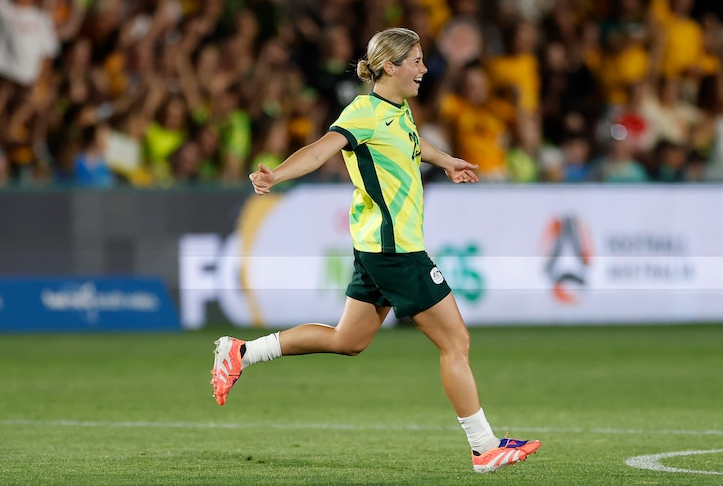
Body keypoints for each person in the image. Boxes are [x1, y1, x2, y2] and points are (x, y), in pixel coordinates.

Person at [211, 28, 541, 474]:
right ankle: (484, 447)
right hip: (396, 251)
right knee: (456, 341)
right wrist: (277, 176)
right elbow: (319, 151)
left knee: (348, 340)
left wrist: (448, 162)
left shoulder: (397, 109)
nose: (424, 69)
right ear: (390, 66)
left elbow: (413, 145)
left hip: (378, 248)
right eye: (417, 60)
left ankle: (242, 353)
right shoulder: (364, 112)